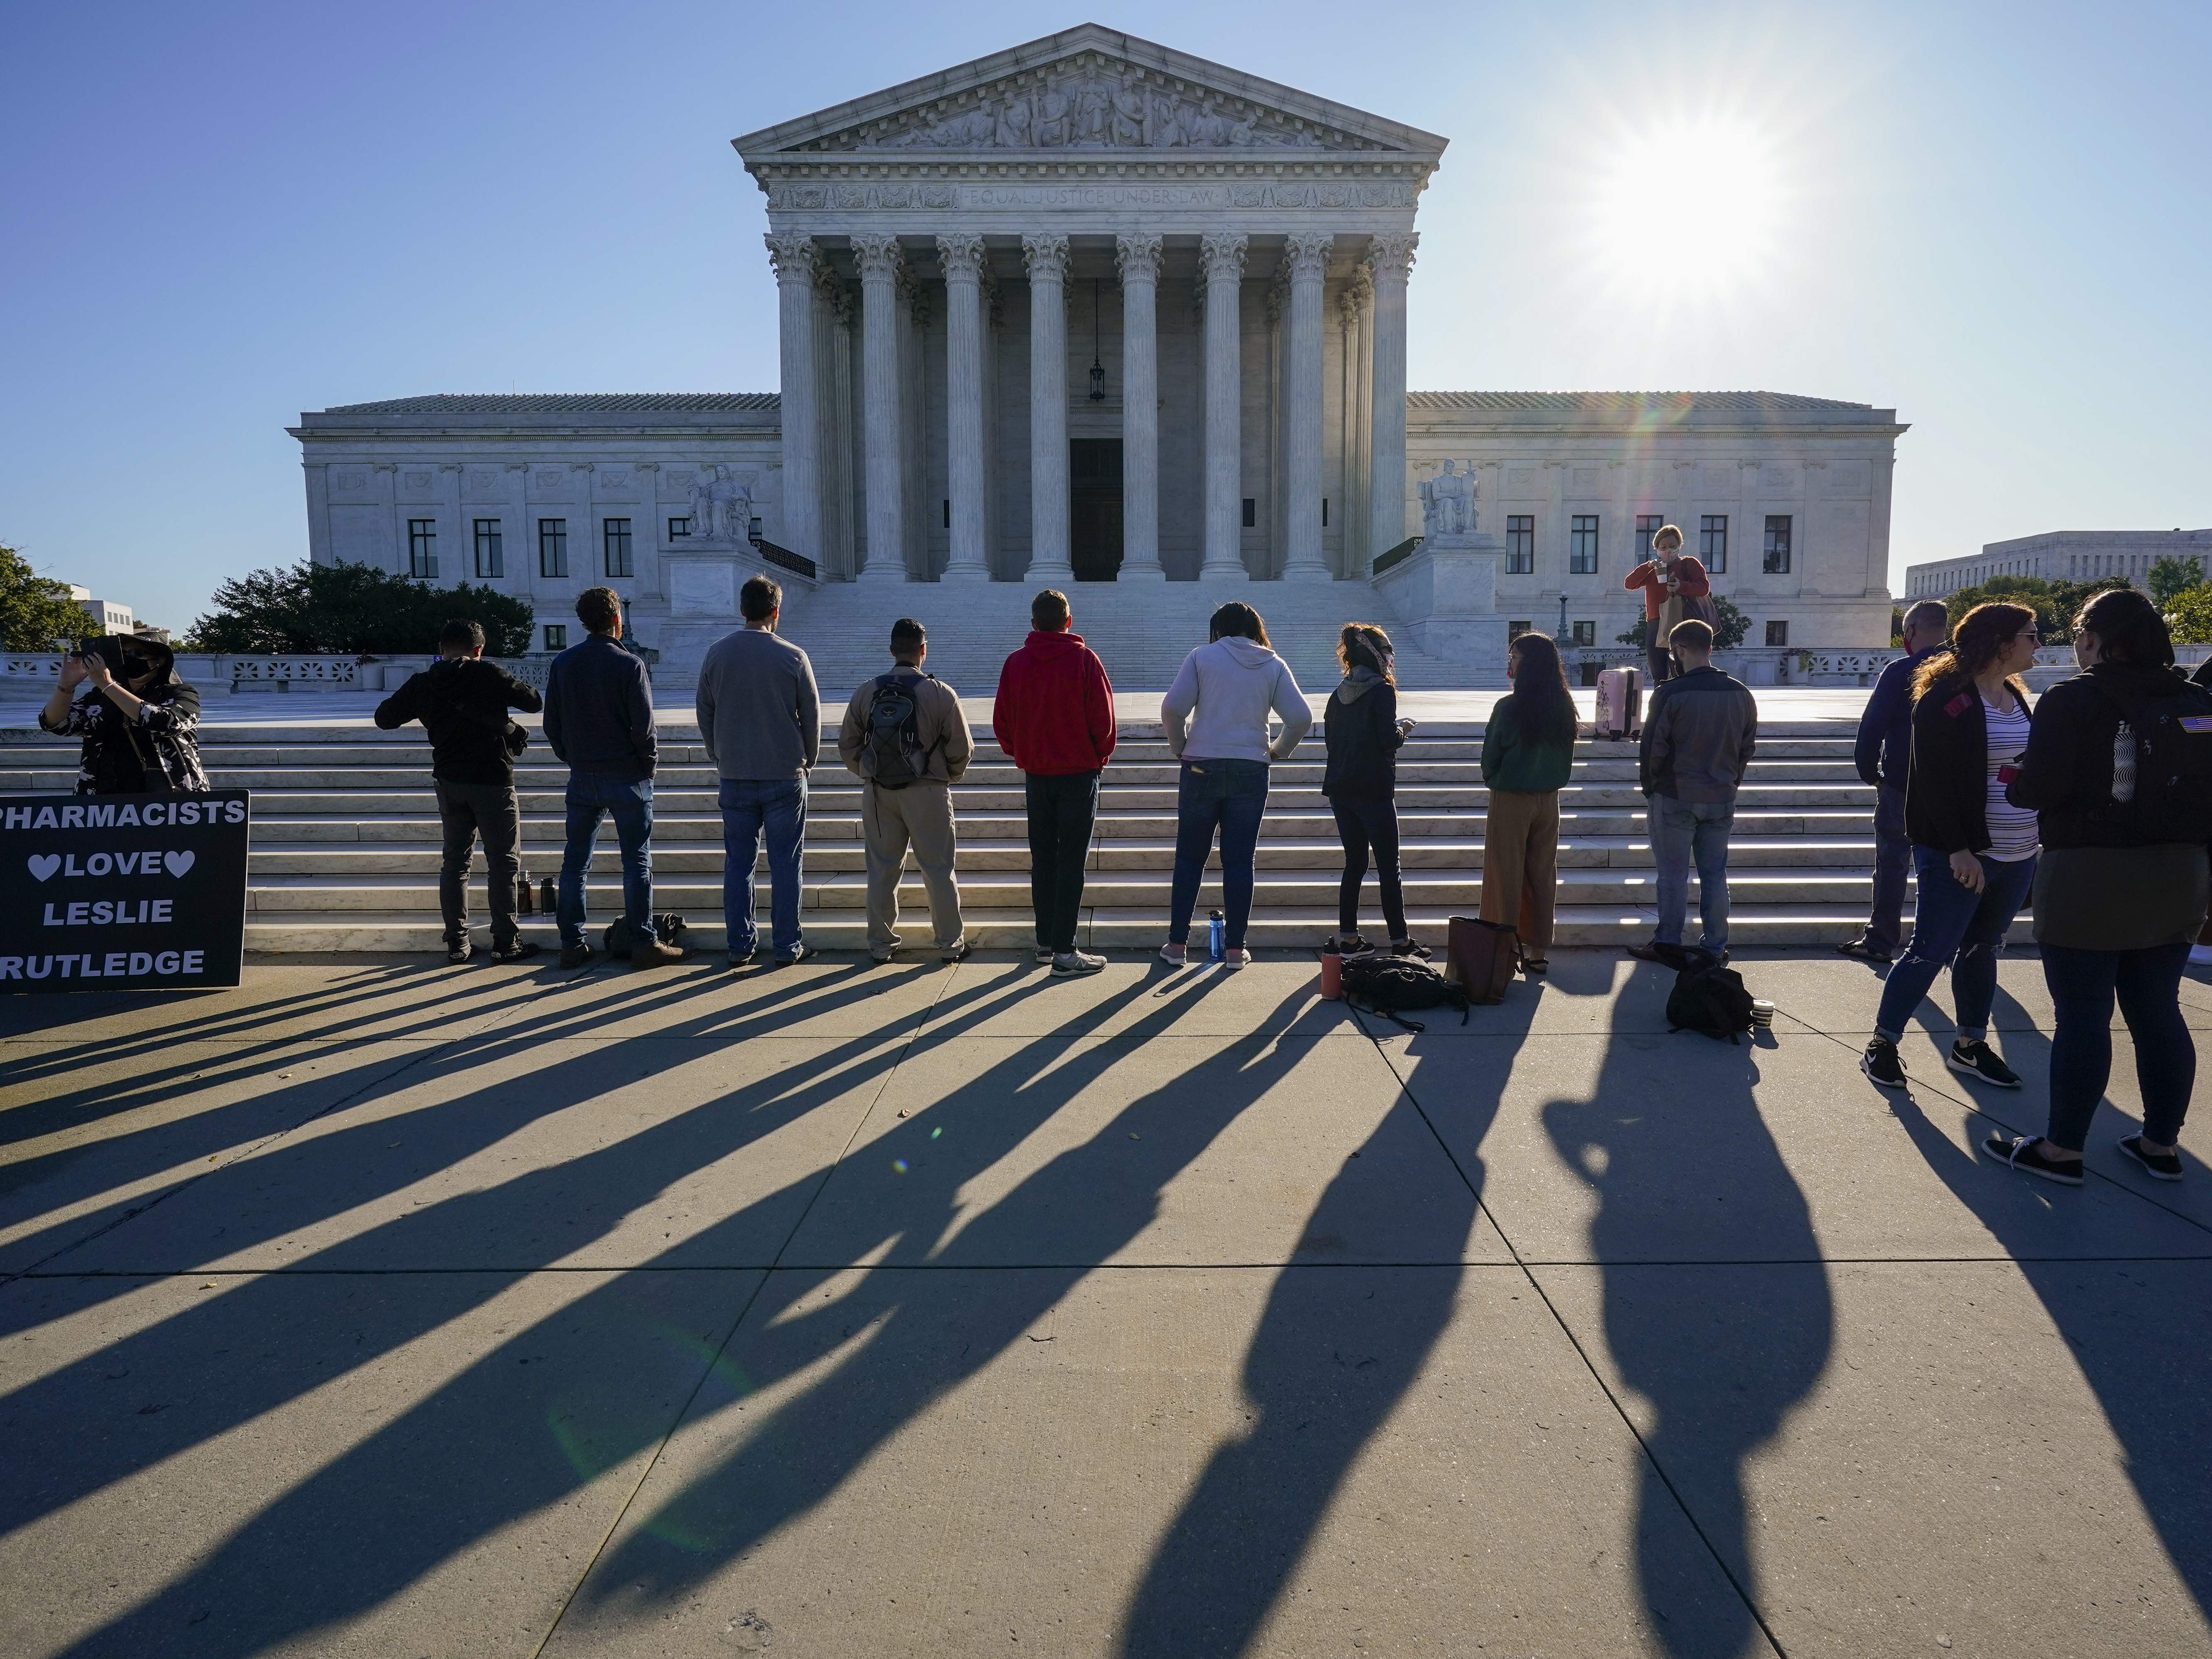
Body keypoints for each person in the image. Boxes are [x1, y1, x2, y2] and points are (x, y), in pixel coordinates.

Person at [1985, 588, 2208, 1185]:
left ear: (2096, 640)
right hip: (2180, 873)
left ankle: (2062, 1150)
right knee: (2158, 1008)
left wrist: (2017, 784)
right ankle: (2160, 1144)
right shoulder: (2195, 699)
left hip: (2091, 872)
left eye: (2083, 632)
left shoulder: (2074, 698)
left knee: (2084, 1013)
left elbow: (2042, 790)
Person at [1858, 602, 2041, 1091]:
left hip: (2018, 851)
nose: (2038, 644)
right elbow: (1933, 784)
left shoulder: (2017, 695)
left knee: (1983, 949)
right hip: (1960, 853)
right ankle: (1882, 1044)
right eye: (2030, 635)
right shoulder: (1947, 700)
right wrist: (1959, 850)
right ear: (2001, 643)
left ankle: (1970, 1046)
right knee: (1930, 950)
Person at [374, 619, 545, 964]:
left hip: (450, 782)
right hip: (494, 780)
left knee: (455, 863)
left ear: (441, 649)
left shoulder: (423, 683)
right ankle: (506, 943)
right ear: (479, 649)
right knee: (503, 863)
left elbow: (385, 719)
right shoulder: (489, 674)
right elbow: (534, 702)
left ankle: (457, 943)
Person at [1159, 602, 1310, 967]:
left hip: (1201, 765)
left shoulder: (1202, 657)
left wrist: (1182, 748)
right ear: (1254, 628)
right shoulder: (1273, 664)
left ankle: (1177, 946)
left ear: (1219, 628)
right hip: (1250, 766)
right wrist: (1277, 752)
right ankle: (1234, 949)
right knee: (1240, 860)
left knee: (1190, 857)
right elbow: (1301, 717)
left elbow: (1172, 708)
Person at [544, 586, 678, 969]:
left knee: (575, 863)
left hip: (584, 774)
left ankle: (573, 943)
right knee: (636, 861)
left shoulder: (565, 663)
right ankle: (642, 940)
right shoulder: (629, 665)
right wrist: (647, 767)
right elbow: (644, 728)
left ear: (584, 622)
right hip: (627, 776)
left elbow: (552, 723)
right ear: (617, 620)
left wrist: (572, 757)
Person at [697, 574, 820, 968]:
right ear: (776, 612)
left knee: (738, 864)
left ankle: (740, 945)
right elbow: (811, 718)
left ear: (741, 609)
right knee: (786, 863)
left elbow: (705, 711)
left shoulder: (717, 653)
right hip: (785, 772)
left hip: (735, 773)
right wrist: (809, 760)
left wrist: (719, 754)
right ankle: (786, 945)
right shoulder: (793, 656)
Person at [993, 588, 1114, 976]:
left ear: (1033, 624)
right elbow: (1104, 722)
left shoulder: (1016, 663)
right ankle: (1065, 951)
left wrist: (1023, 754)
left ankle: (1046, 943)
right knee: (1071, 861)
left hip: (1037, 776)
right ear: (1069, 622)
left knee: (1043, 859)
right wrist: (1098, 759)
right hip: (1078, 774)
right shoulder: (1084, 660)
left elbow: (1003, 721)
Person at [838, 617, 972, 965]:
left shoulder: (867, 690)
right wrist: (944, 776)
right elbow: (963, 747)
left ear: (892, 650)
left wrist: (871, 773)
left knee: (883, 869)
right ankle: (950, 945)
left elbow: (848, 744)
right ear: (923, 652)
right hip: (928, 790)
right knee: (939, 869)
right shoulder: (940, 692)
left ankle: (881, 946)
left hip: (880, 794)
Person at [1629, 619, 1757, 964]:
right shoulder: (1741, 693)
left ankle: (1668, 942)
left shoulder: (1671, 693)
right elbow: (1747, 748)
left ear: (1679, 651)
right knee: (1715, 876)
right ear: (1710, 648)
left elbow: (1653, 747)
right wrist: (1731, 783)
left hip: (1675, 794)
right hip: (1721, 796)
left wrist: (1651, 788)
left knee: (1672, 875)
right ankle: (1715, 946)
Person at [1838, 599, 1951, 964]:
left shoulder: (1901, 671)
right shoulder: (1964, 670)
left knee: (1892, 864)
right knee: (1949, 866)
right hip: (1953, 789)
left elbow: (1872, 727)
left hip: (1903, 784)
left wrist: (1872, 774)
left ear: (1913, 631)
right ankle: (1943, 942)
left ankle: (1882, 940)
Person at [1480, 629, 1578, 974]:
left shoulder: (1509, 707)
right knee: (1541, 874)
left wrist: (1495, 778)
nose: (1510, 662)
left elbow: (1490, 757)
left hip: (1511, 797)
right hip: (1549, 800)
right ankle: (1538, 952)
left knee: (1504, 875)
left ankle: (1502, 949)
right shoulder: (1564, 705)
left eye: (1514, 656)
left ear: (1529, 663)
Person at [1321, 622, 1419, 958]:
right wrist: (1403, 730)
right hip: (1374, 792)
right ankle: (1401, 941)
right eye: (1389, 652)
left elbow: (1331, 743)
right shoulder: (1381, 691)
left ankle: (1349, 939)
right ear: (1378, 655)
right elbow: (1386, 742)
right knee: (1389, 867)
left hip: (1340, 790)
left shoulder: (1338, 694)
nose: (1391, 659)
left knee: (1355, 864)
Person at [40, 633, 209, 796]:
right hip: (101, 797)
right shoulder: (100, 695)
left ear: (159, 661)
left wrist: (108, 685)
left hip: (168, 796)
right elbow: (56, 723)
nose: (128, 658)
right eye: (123, 654)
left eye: (136, 653)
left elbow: (167, 722)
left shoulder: (181, 692)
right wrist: (66, 686)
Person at [1622, 524, 1711, 687]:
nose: (1668, 551)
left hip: (1682, 622)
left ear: (1679, 546)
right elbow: (1629, 584)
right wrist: (1647, 567)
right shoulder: (1652, 569)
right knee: (1659, 673)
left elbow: (1704, 588)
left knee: (1681, 670)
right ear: (1657, 548)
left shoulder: (1689, 564)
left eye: (1672, 546)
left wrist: (1681, 586)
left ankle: (1684, 703)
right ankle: (1661, 704)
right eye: (1663, 547)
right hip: (1656, 623)